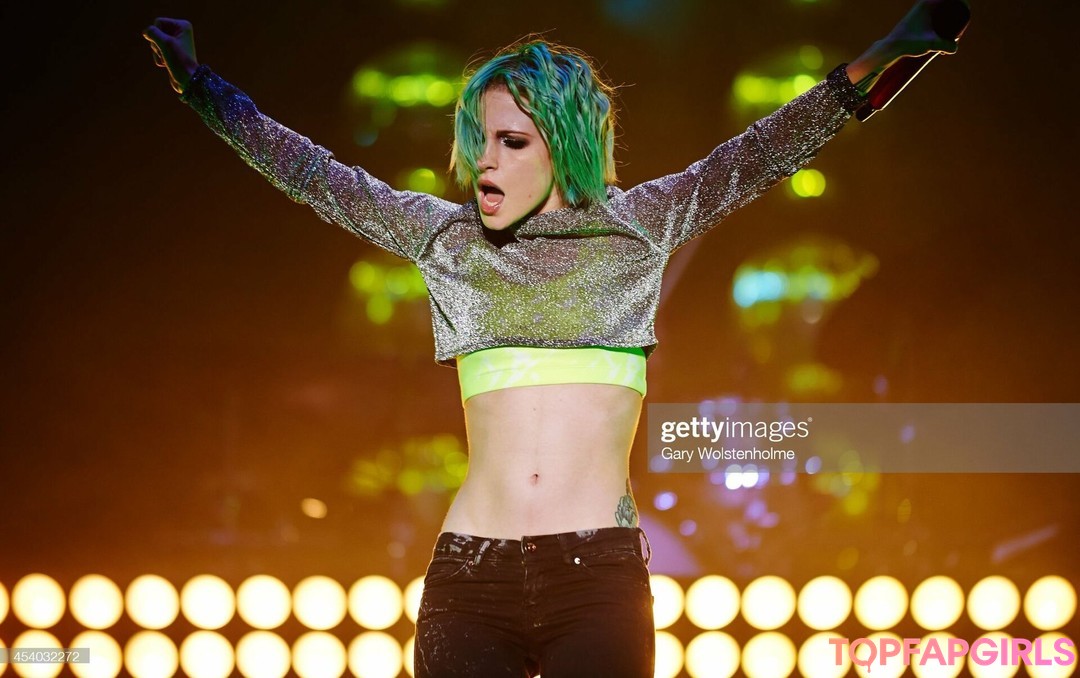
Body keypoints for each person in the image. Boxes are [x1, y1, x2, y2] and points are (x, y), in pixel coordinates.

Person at [143, 5, 959, 675]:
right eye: (478, 140)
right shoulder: (447, 241)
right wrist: (196, 84)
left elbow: (767, 150)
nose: (484, 162)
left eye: (512, 141)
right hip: (468, 577)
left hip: (596, 579)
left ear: (565, 143)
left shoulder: (640, 227)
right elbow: (312, 174)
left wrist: (889, 52)